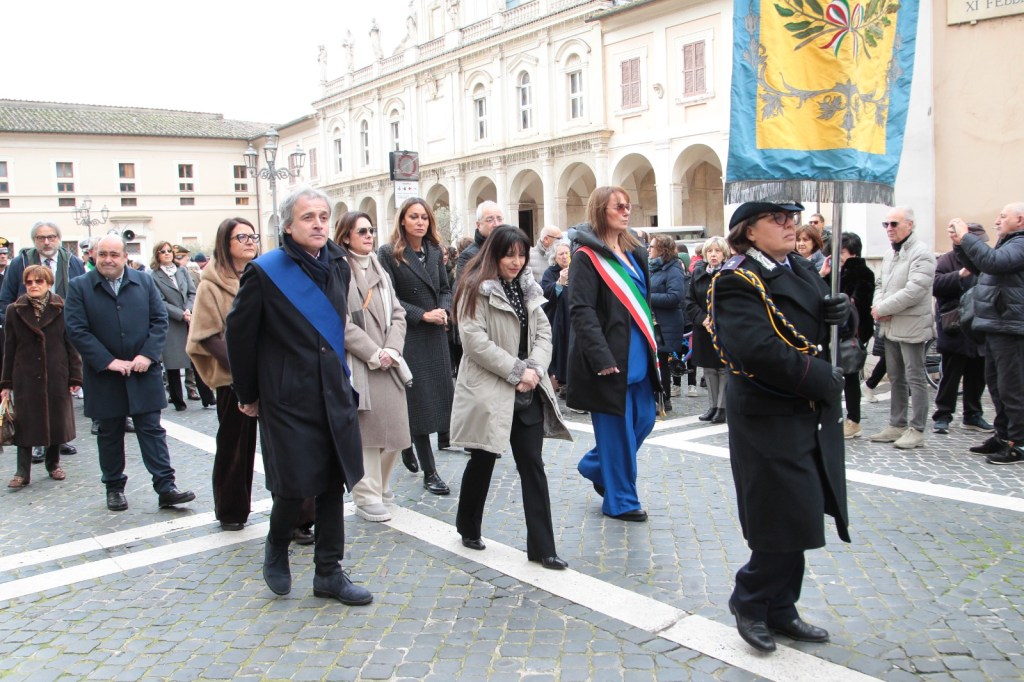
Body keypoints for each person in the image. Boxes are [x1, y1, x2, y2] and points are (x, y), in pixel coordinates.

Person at [711, 200, 850, 653]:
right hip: (768, 413)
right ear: (749, 232)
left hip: (803, 412)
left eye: (792, 218)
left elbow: (813, 324)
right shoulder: (736, 279)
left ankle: (782, 606)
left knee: (803, 514)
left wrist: (839, 312)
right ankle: (750, 599)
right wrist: (818, 376)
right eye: (778, 220)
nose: (791, 225)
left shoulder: (800, 268)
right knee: (782, 515)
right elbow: (758, 350)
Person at [226, 187, 371, 605]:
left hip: (332, 390)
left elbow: (337, 329)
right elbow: (240, 335)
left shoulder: (339, 265)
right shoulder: (265, 271)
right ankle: (277, 544)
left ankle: (329, 572)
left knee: (331, 483)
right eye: (309, 217)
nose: (319, 224)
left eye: (324, 216)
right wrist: (248, 392)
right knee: (292, 484)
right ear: (289, 225)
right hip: (289, 396)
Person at [451, 225, 572, 567]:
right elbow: (475, 343)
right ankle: (468, 524)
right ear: (494, 254)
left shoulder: (528, 286)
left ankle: (543, 548)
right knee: (483, 459)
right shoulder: (475, 289)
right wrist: (517, 371)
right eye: (509, 254)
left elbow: (544, 332)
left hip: (528, 390)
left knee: (532, 465)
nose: (517, 261)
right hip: (490, 389)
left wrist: (533, 369)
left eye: (521, 254)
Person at [65, 234, 196, 512]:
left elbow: (159, 320)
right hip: (104, 375)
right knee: (109, 433)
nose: (108, 259)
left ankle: (166, 487)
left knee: (152, 431)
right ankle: (114, 487)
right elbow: (77, 329)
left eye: (114, 254)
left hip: (142, 371)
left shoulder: (144, 281)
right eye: (103, 254)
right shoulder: (79, 287)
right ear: (93, 256)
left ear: (126, 257)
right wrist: (107, 361)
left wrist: (147, 355)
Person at [567, 186, 661, 522]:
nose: (626, 211)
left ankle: (595, 464)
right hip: (609, 359)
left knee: (645, 420)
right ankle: (621, 501)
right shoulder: (585, 257)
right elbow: (581, 311)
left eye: (628, 205)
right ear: (599, 211)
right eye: (617, 206)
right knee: (618, 433)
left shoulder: (635, 251)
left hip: (640, 354)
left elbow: (643, 302)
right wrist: (601, 357)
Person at [186, 218, 263, 531]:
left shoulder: (261, 275)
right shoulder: (211, 283)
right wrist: (242, 368)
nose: (249, 241)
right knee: (235, 446)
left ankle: (299, 514)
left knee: (284, 444)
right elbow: (206, 334)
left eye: (252, 235)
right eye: (240, 236)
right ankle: (231, 510)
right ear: (225, 243)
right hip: (233, 377)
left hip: (268, 372)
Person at [335, 211, 411, 522]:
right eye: (362, 231)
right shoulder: (339, 270)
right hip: (361, 361)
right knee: (367, 431)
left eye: (372, 230)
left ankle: (381, 485)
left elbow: (398, 313)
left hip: (389, 359)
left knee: (395, 429)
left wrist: (392, 348)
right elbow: (339, 321)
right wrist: (373, 351)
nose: (369, 236)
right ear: (346, 237)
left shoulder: (380, 267)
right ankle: (365, 494)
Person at [378, 198, 455, 495]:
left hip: (436, 334)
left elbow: (445, 289)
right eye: (414, 217)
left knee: (438, 399)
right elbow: (390, 298)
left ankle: (408, 438)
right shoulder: (389, 253)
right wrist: (421, 314)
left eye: (424, 217)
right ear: (403, 221)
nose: (420, 222)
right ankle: (430, 472)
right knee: (420, 401)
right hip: (409, 334)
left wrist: (444, 310)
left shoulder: (435, 251)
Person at [0, 221, 86, 457]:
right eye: (40, 238)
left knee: (59, 395)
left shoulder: (73, 262)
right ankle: (36, 443)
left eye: (50, 237)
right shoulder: (20, 263)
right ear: (34, 241)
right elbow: (6, 297)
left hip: (61, 333)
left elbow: (82, 294)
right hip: (28, 335)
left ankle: (59, 440)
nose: (46, 242)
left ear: (58, 238)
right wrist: (11, 325)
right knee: (32, 398)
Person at [950, 203, 1024, 465]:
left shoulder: (1021, 243)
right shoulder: (1008, 242)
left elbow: (994, 262)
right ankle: (1003, 436)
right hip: (997, 325)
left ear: (1021, 220)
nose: (997, 220)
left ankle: (1019, 444)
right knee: (996, 386)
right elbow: (984, 267)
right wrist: (961, 245)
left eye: (1004, 216)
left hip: (1011, 328)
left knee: (1012, 389)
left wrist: (967, 237)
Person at [3, 265, 82, 488]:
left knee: (56, 420)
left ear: (48, 284)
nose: (34, 286)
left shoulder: (61, 308)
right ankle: (22, 471)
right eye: (29, 282)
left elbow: (71, 345)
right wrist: (6, 383)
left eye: (39, 281)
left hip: (56, 373)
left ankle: (53, 463)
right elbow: (8, 348)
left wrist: (75, 377)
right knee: (24, 423)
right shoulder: (14, 310)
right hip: (25, 375)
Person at [868, 207, 936, 449]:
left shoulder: (922, 253)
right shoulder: (889, 254)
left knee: (915, 377)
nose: (889, 228)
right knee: (896, 376)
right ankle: (896, 423)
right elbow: (880, 284)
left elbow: (915, 290)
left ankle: (917, 428)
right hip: (890, 324)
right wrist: (878, 305)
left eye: (894, 224)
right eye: (885, 224)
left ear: (910, 224)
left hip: (911, 325)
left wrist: (883, 307)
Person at [931, 222, 992, 436]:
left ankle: (973, 415)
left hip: (979, 327)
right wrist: (959, 275)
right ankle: (943, 415)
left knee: (977, 376)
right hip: (954, 326)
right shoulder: (947, 259)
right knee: (950, 375)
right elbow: (935, 285)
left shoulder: (986, 259)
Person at [820, 232, 875, 438]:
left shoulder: (861, 273)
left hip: (852, 333)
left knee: (850, 376)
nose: (837, 256)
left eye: (841, 252)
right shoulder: (835, 272)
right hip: (834, 331)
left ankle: (853, 420)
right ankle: (837, 416)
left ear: (852, 253)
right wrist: (824, 274)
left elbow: (857, 303)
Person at [685, 236, 731, 424]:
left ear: (724, 254)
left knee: (723, 369)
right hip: (704, 329)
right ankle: (712, 406)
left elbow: (732, 301)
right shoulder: (698, 273)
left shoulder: (730, 273)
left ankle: (722, 408)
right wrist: (703, 319)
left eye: (717, 251)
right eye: (710, 251)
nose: (713, 255)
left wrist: (717, 320)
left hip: (724, 329)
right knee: (709, 369)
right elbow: (689, 301)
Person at [150, 241, 197, 412]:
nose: (167, 253)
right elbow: (159, 301)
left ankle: (205, 396)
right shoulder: (153, 275)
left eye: (169, 251)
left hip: (189, 319)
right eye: (163, 251)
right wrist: (180, 314)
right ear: (157, 255)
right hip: (171, 322)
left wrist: (189, 310)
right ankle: (178, 400)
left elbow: (192, 292)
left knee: (197, 358)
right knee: (173, 363)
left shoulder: (182, 271)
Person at [648, 235, 687, 412]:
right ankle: (656, 396)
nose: (649, 249)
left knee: (662, 360)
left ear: (662, 249)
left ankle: (664, 398)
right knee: (655, 360)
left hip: (666, 324)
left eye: (652, 247)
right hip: (655, 322)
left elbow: (675, 297)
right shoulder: (655, 268)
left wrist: (647, 298)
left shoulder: (674, 269)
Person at [540, 241, 571, 395]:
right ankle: (560, 382)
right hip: (558, 319)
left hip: (573, 318)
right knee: (560, 350)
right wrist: (560, 282)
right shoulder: (550, 273)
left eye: (567, 253)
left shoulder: (577, 270)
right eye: (561, 254)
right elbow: (546, 294)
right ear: (555, 257)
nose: (564, 257)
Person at [456, 201, 503, 276]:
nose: (496, 224)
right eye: (490, 220)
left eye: (499, 219)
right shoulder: (468, 256)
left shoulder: (508, 249)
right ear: (478, 225)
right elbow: (463, 286)